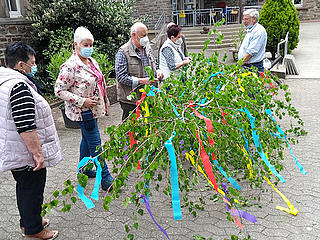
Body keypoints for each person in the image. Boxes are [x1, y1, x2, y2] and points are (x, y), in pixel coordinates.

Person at [0, 42, 62, 239]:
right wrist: (37, 153)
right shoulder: (18, 86)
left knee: (25, 188)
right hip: (24, 152)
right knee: (32, 190)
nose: (34, 67)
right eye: (32, 63)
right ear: (20, 65)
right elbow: (25, 124)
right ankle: (34, 230)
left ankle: (29, 220)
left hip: (15, 148)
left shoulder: (6, 81)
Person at [54, 27, 113, 191]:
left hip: (93, 110)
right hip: (83, 113)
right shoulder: (70, 66)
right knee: (95, 144)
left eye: (90, 44)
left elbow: (100, 82)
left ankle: (84, 169)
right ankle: (106, 177)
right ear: (76, 44)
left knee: (87, 141)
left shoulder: (91, 61)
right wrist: (82, 101)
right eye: (85, 44)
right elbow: (58, 90)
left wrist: (104, 103)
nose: (88, 47)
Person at [115, 22, 164, 121]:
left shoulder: (147, 47)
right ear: (134, 35)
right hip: (130, 99)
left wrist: (158, 71)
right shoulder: (123, 52)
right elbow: (121, 77)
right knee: (130, 129)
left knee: (150, 124)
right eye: (144, 35)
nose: (146, 38)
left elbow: (154, 62)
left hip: (149, 95)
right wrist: (141, 81)